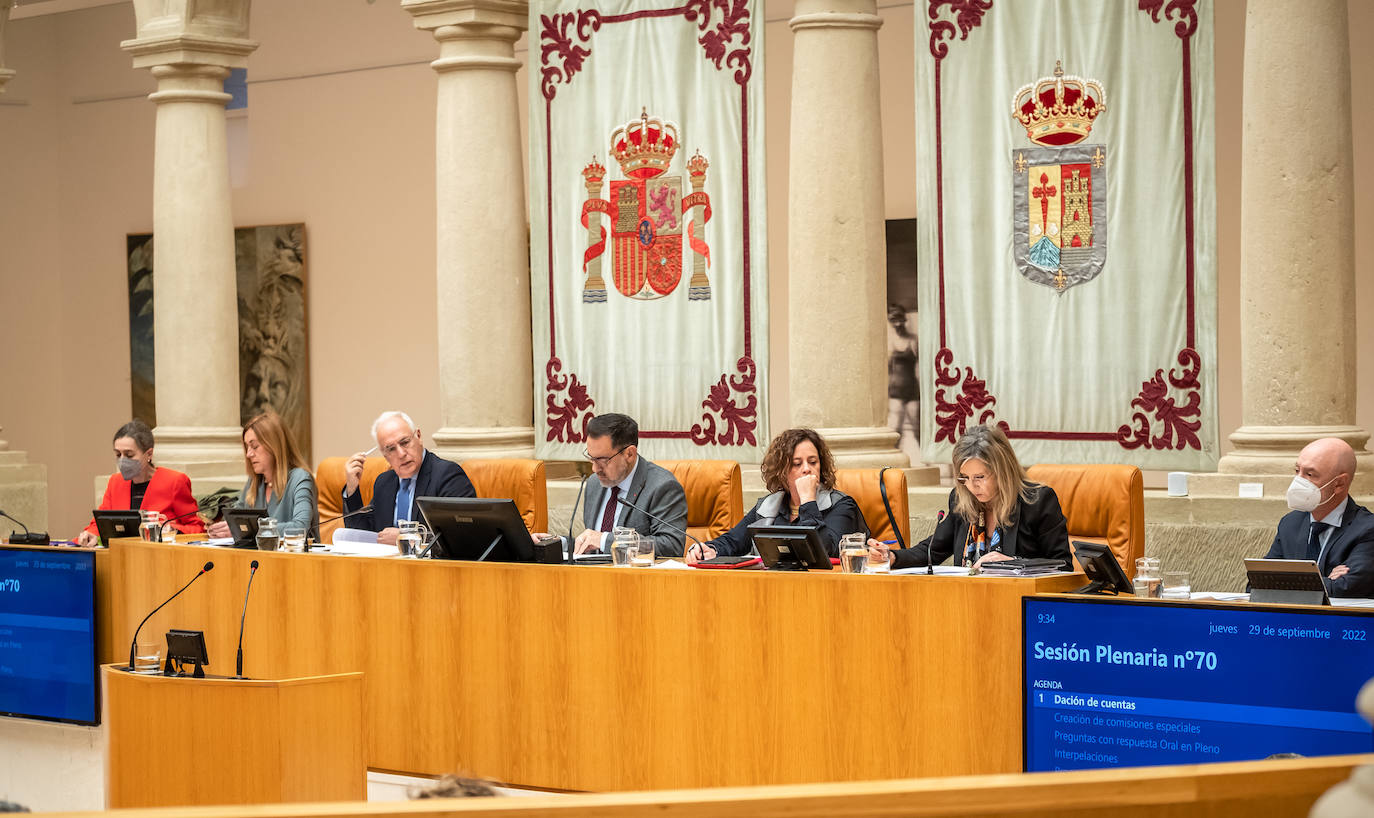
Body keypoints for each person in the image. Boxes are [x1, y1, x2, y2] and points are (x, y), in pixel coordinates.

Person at [870, 424, 1070, 570]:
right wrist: (893, 556)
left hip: (1020, 604)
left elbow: (1062, 565)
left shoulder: (1037, 502)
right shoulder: (962, 499)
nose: (972, 486)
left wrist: (1013, 564)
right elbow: (932, 551)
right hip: (970, 602)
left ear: (1003, 471)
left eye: (980, 477)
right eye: (965, 478)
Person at [686, 428, 867, 562]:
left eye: (813, 462)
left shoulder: (842, 505)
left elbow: (826, 552)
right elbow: (733, 541)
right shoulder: (767, 507)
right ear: (781, 472)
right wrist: (710, 549)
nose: (807, 469)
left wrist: (808, 501)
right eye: (797, 464)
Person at [540, 413, 687, 558]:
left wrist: (606, 540)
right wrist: (557, 543)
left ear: (629, 454)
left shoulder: (662, 486)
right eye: (591, 458)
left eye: (603, 460)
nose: (595, 469)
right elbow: (593, 545)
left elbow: (672, 546)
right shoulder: (594, 484)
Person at [341, 411, 475, 546]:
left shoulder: (447, 475)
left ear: (418, 436)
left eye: (405, 442)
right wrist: (352, 489)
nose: (401, 454)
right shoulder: (383, 483)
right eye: (391, 449)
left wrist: (408, 538)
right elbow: (364, 537)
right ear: (384, 455)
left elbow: (462, 537)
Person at [1263, 437, 1374, 598]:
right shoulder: (1290, 523)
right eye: (1297, 471)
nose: (1298, 481)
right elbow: (1258, 583)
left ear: (1339, 484)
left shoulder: (1367, 528)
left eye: (1309, 474)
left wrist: (1285, 583)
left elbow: (1348, 587)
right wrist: (1325, 579)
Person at [76, 420, 204, 546]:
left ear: (148, 454)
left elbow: (197, 528)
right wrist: (90, 534)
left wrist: (171, 529)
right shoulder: (115, 482)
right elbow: (99, 523)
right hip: (123, 554)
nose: (122, 460)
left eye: (129, 455)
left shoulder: (174, 481)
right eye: (118, 454)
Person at [208, 411, 317, 537]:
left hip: (296, 555)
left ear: (274, 446)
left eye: (254, 447)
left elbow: (300, 528)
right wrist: (220, 528)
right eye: (247, 447)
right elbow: (236, 518)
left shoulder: (300, 479)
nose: (249, 454)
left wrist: (251, 529)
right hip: (261, 556)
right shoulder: (255, 482)